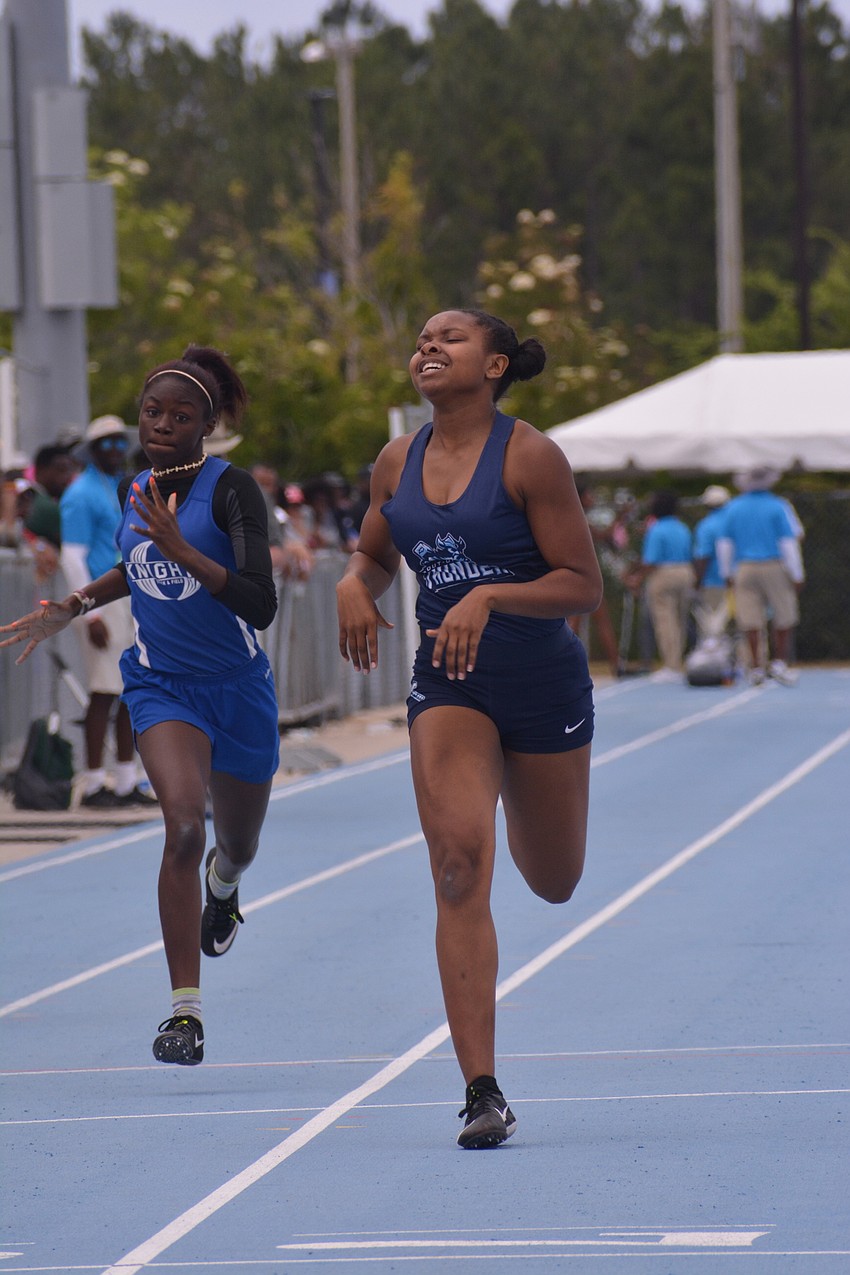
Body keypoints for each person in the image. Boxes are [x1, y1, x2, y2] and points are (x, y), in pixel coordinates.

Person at [336, 309, 602, 1149]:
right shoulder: (396, 461)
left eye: (447, 338)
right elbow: (376, 552)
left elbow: (582, 584)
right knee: (456, 867)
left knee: (554, 878)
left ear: (493, 365)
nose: (426, 346)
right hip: (450, 687)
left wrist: (490, 595)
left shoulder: (530, 455)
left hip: (541, 682)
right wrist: (354, 580)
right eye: (419, 337)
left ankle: (533, 821)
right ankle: (481, 1089)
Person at [0, 345, 280, 1066]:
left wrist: (185, 549)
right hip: (163, 686)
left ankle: (227, 884)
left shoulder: (232, 491)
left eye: (179, 415)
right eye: (152, 411)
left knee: (236, 844)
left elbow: (260, 601)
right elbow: (138, 562)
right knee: (184, 830)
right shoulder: (136, 488)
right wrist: (76, 601)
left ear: (206, 424)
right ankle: (184, 1014)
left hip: (239, 690)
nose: (160, 424)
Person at [60, 416, 155, 808]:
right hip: (100, 598)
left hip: (128, 596)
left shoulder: (123, 487)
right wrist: (89, 613)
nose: (116, 449)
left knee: (129, 690)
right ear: (92, 449)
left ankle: (124, 779)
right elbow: (72, 556)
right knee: (103, 691)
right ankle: (96, 782)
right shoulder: (80, 493)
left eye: (120, 442)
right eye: (107, 443)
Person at [715, 466, 804, 686]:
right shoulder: (778, 505)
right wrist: (797, 573)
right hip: (774, 564)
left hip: (744, 566)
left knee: (749, 617)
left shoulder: (733, 508)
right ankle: (779, 662)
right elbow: (788, 542)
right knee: (784, 613)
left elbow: (725, 543)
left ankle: (755, 666)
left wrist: (726, 571)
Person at [625, 490, 694, 682]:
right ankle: (678, 661)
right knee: (680, 619)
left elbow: (651, 560)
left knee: (665, 620)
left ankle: (671, 665)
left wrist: (637, 578)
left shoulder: (656, 529)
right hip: (685, 571)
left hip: (663, 574)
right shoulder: (682, 527)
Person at [568, 483, 629, 678]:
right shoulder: (575, 516)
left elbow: (604, 539)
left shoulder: (573, 516)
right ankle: (567, 663)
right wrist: (620, 517)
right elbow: (603, 536)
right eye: (589, 494)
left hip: (582, 576)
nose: (592, 499)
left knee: (595, 620)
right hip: (579, 576)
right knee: (576, 623)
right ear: (581, 497)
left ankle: (616, 664)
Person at [692, 484, 731, 641]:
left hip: (713, 582)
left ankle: (715, 661)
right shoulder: (733, 523)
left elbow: (703, 556)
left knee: (712, 627)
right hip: (736, 581)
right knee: (739, 625)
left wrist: (698, 581)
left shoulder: (706, 526)